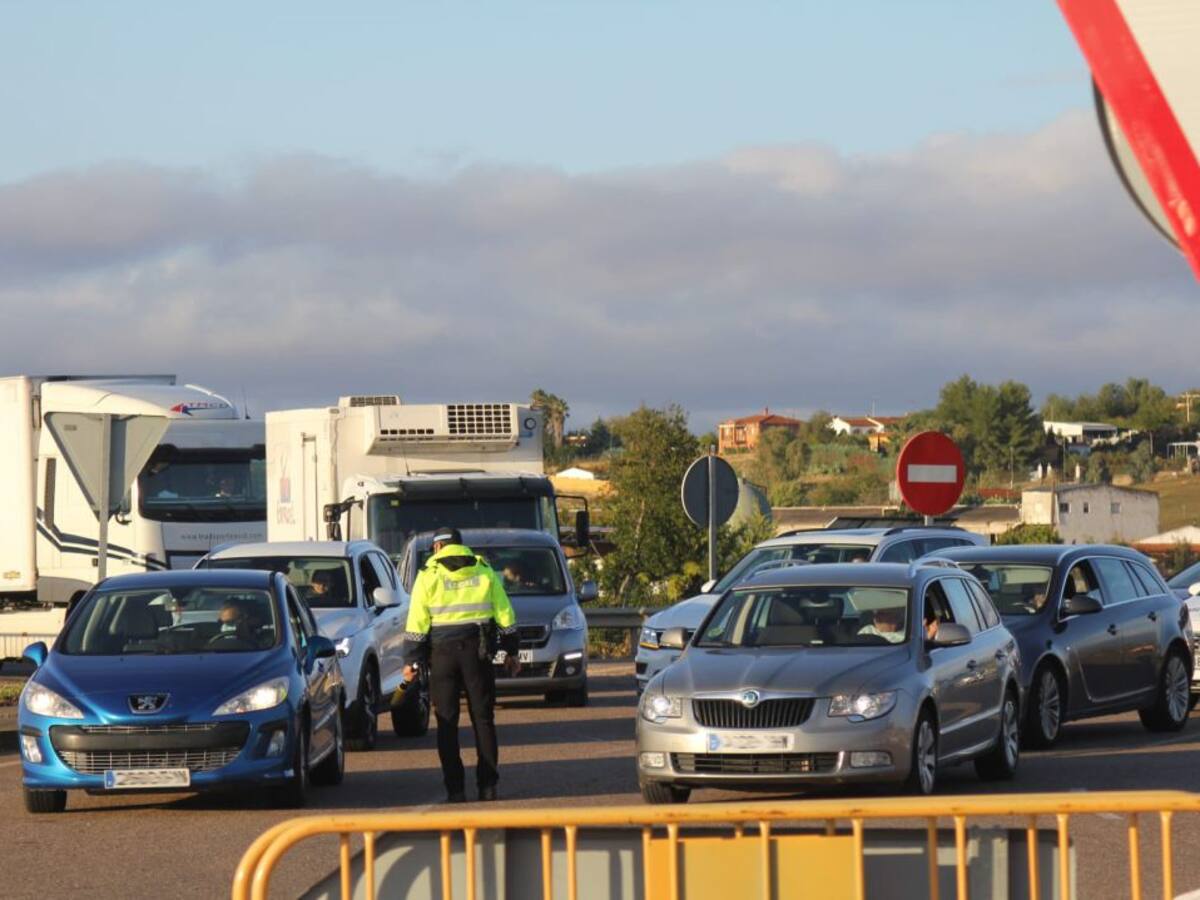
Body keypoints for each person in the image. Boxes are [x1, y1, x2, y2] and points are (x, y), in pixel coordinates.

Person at [402, 528, 520, 803]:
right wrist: (510, 651)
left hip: (442, 655)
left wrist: (412, 660)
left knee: (447, 722)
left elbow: (417, 622)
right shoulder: (484, 571)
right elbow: (505, 613)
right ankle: (487, 786)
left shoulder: (428, 575)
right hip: (477, 653)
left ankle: (455, 790)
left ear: (438, 547)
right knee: (483, 719)